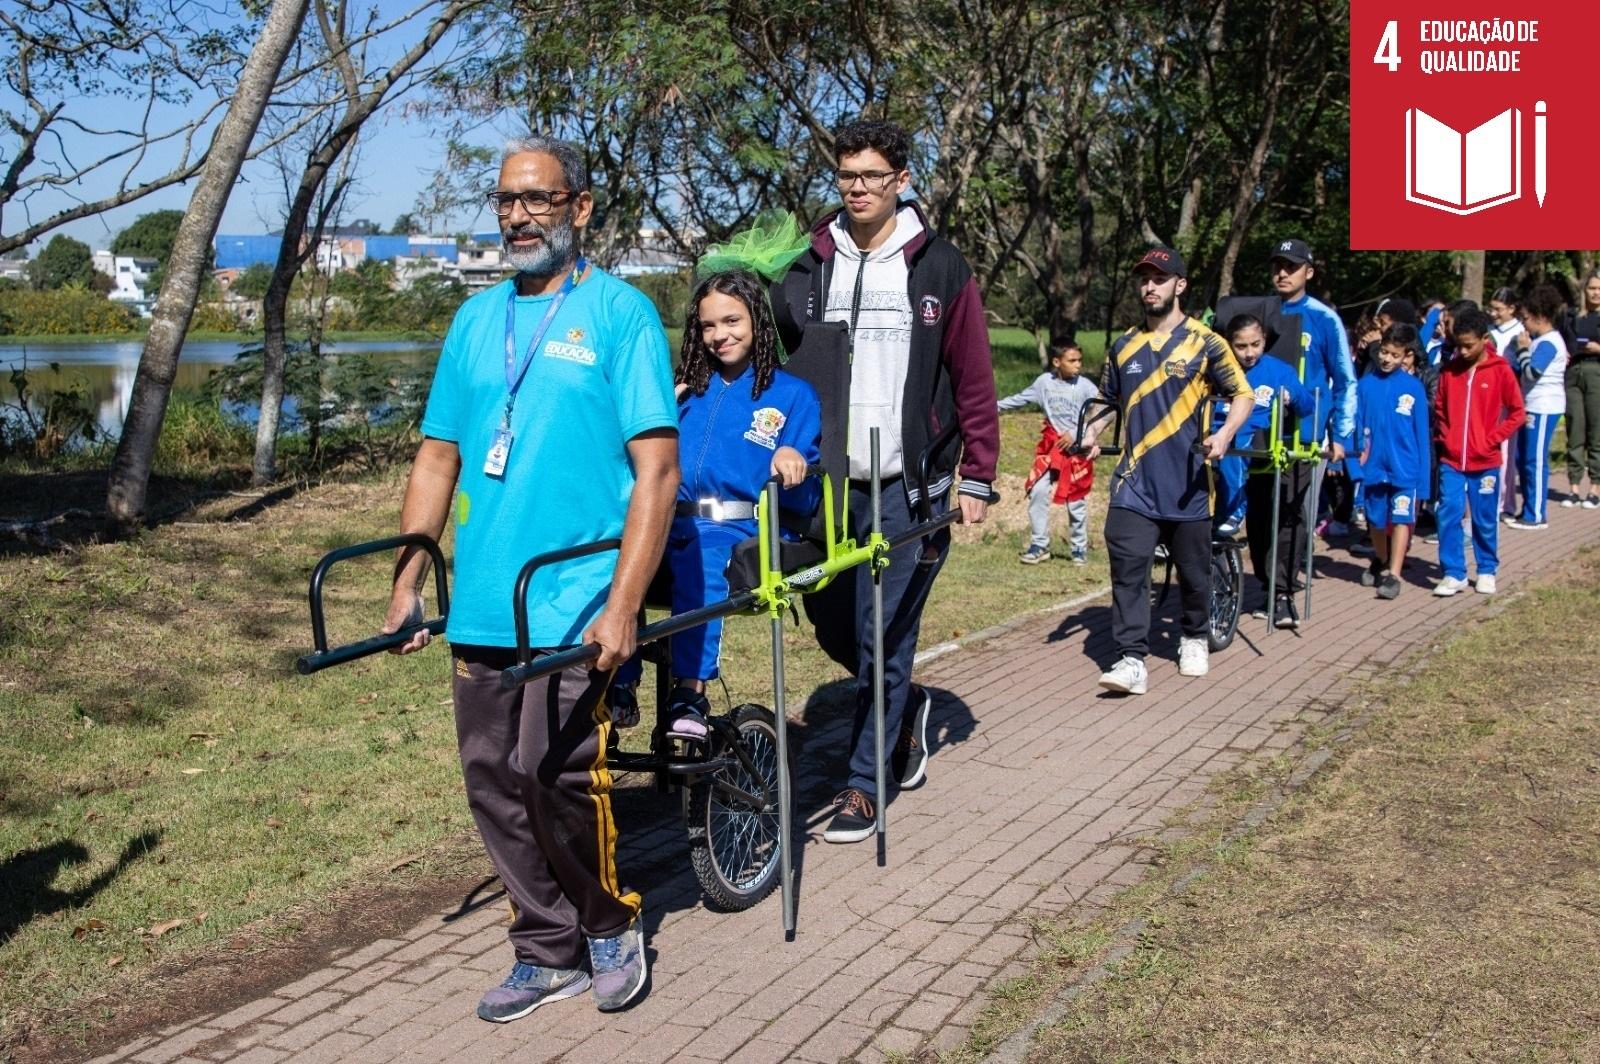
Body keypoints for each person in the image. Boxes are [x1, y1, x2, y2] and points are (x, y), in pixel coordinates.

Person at [382, 136, 679, 1021]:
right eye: (506, 201)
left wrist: (624, 606)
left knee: (549, 770)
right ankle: (545, 948)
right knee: (492, 778)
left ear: (579, 208)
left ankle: (609, 925)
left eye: (537, 200)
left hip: (574, 594)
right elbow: (438, 458)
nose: (518, 216)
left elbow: (656, 472)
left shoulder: (621, 316)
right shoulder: (475, 322)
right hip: (482, 598)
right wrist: (407, 580)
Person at [771, 118, 998, 843]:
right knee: (837, 623)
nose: (859, 188)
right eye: (847, 176)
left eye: (873, 175)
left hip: (910, 484)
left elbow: (973, 377)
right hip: (830, 488)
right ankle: (905, 709)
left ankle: (865, 784)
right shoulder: (809, 266)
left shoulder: (937, 267)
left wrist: (979, 476)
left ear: (901, 180)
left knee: (885, 637)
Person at [652, 266, 822, 737]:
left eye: (731, 321)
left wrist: (791, 455)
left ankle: (691, 693)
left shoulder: (791, 394)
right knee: (606, 553)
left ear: (757, 323)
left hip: (738, 526)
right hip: (672, 521)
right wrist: (661, 410)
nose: (718, 335)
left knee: (700, 562)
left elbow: (803, 464)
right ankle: (617, 683)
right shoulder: (686, 392)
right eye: (708, 326)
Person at [1081, 246, 1253, 694]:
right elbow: (1106, 401)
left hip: (1188, 483)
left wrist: (1225, 435)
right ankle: (1131, 658)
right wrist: (1091, 432)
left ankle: (1194, 634)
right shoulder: (1124, 345)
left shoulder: (1207, 342)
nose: (1149, 286)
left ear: (1180, 285)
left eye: (1159, 278)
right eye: (1143, 279)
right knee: (1128, 568)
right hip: (1133, 481)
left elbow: (1243, 394)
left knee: (1195, 575)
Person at [1225, 314, 1316, 625]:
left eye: (1255, 344)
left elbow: (1307, 406)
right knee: (1259, 523)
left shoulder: (1279, 371)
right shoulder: (1222, 371)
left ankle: (1282, 592)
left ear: (1264, 340)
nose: (1249, 353)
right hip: (1233, 445)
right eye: (1241, 346)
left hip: (1272, 446)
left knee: (1285, 521)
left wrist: (1293, 398)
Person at [1432, 309, 1525, 596]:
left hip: (1485, 461)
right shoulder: (1450, 370)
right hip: (1452, 460)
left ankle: (1486, 568)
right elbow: (1440, 408)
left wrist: (1491, 439)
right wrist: (1446, 438)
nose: (1462, 350)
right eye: (1458, 344)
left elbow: (1517, 412)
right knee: (1448, 512)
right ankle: (1454, 572)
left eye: (1468, 345)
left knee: (1484, 517)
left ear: (1485, 339)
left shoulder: (1500, 370)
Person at [998, 338, 1099, 564]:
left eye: (1079, 360)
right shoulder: (1044, 383)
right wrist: (991, 406)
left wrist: (1084, 436)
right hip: (1051, 450)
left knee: (1075, 502)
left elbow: (1100, 413)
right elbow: (1019, 399)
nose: (1078, 365)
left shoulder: (1086, 386)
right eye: (1072, 360)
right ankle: (1039, 546)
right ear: (1056, 361)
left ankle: (1079, 550)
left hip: (1076, 452)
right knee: (1038, 490)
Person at [1354, 324, 1431, 599]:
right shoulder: (1365, 385)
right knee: (1375, 520)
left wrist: (1423, 482)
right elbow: (1356, 426)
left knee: (1401, 519)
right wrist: (1354, 464)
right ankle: (1381, 558)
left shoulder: (1413, 388)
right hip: (1373, 468)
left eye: (1394, 355)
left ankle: (1394, 573)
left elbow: (1422, 435)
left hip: (1405, 470)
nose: (1387, 359)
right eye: (1384, 352)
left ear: (1406, 356)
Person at [1505, 283, 1569, 530]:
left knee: (1535, 460)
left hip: (1544, 406)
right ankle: (1527, 509)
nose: (1524, 325)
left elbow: (1532, 372)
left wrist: (1521, 350)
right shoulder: (1539, 341)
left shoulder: (1549, 342)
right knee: (1524, 459)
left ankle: (1536, 514)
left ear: (1541, 317)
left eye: (1526, 319)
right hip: (1530, 405)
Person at [1487, 287, 1526, 520]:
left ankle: (1506, 503)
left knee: (1507, 455)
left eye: (1498, 309)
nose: (1493, 313)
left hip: (1508, 401)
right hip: (1487, 399)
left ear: (1511, 309)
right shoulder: (1488, 332)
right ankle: (1489, 501)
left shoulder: (1520, 332)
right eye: (1491, 308)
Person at [1565, 272, 1600, 508]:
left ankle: (1595, 488)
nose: (1596, 293)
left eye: (1599, 289)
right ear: (1584, 290)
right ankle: (1574, 488)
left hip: (1597, 372)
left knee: (1596, 432)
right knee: (1574, 429)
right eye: (1592, 288)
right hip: (1573, 372)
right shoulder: (1572, 316)